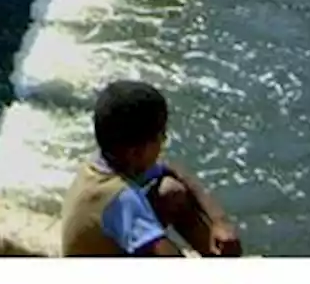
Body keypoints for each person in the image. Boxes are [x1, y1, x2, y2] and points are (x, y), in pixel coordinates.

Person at [61, 80, 242, 257]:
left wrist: (220, 222)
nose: (163, 142)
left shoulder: (102, 165)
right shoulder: (121, 199)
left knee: (171, 192)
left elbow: (175, 170)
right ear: (136, 152)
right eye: (161, 136)